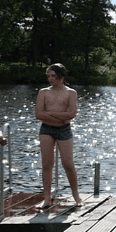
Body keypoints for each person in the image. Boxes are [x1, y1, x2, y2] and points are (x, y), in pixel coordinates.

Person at [36, 63, 81, 208]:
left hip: (64, 129)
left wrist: (50, 113)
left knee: (68, 163)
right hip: (46, 129)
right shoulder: (43, 92)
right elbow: (39, 114)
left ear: (61, 77)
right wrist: (60, 117)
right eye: (48, 76)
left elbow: (71, 114)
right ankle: (46, 198)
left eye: (53, 76)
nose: (50, 79)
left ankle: (76, 195)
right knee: (47, 163)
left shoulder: (71, 93)